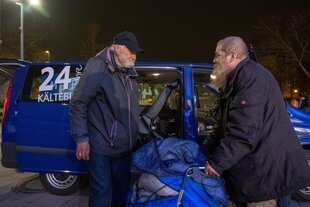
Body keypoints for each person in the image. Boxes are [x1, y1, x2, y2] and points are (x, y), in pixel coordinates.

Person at [204, 36, 310, 207]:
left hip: (265, 176)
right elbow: (224, 125)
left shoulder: (251, 78)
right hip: (259, 172)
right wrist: (206, 150)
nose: (214, 60)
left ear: (233, 55)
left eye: (218, 55)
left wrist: (217, 164)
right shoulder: (238, 79)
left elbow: (243, 131)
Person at [70, 31, 143, 207]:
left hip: (123, 148)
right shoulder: (98, 66)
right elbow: (79, 102)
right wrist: (81, 138)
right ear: (117, 48)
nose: (134, 56)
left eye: (136, 52)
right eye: (130, 51)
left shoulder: (128, 71)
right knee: (101, 193)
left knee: (122, 191)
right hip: (101, 146)